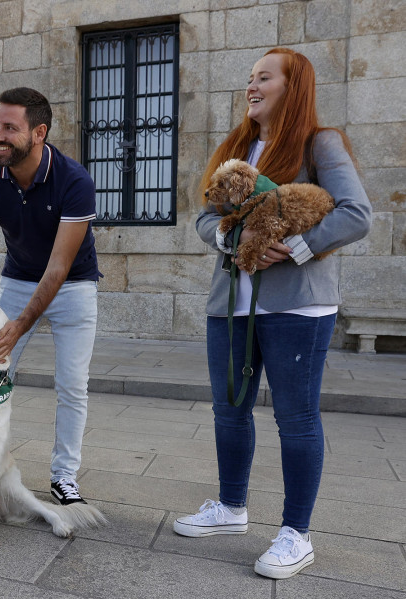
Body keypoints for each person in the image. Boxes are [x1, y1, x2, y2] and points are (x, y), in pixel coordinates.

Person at [176, 48, 372, 579]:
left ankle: (296, 534)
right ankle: (231, 508)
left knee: (296, 417)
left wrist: (298, 247)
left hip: (299, 306)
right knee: (228, 409)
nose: (252, 86)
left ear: (294, 86)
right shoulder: (236, 147)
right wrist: (228, 238)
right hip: (230, 306)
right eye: (249, 78)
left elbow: (357, 213)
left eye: (264, 77)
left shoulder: (319, 143)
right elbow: (203, 217)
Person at [0, 87, 100, 505]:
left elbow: (59, 268)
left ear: (39, 132)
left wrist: (21, 324)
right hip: (20, 279)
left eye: (10, 128)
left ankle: (64, 477)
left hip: (74, 284)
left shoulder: (74, 181)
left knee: (73, 385)